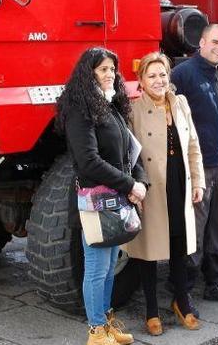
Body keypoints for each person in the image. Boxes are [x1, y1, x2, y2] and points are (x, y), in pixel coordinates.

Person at [58, 47, 148, 345]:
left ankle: (107, 325)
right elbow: (89, 162)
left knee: (109, 267)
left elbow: (128, 151)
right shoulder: (79, 110)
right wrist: (129, 185)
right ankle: (96, 332)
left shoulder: (108, 106)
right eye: (103, 70)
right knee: (96, 269)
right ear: (89, 73)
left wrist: (139, 181)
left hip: (116, 199)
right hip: (96, 201)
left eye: (112, 69)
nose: (110, 75)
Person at [125, 52, 204, 334]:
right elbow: (129, 156)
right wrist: (135, 188)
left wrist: (198, 182)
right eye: (152, 76)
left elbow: (193, 145)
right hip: (151, 185)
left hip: (179, 182)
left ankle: (181, 301)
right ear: (141, 81)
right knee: (149, 249)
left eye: (162, 74)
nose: (159, 80)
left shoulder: (180, 103)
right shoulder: (133, 110)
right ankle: (151, 310)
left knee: (180, 245)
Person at [170, 24, 218, 305]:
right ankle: (183, 291)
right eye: (216, 42)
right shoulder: (183, 74)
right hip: (198, 167)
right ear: (201, 42)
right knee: (194, 232)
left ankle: (217, 284)